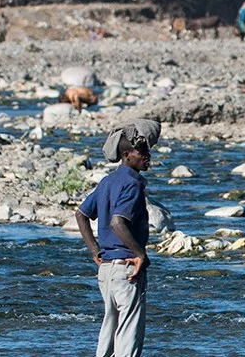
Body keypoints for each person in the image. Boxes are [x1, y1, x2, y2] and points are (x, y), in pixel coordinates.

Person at [75, 125, 155, 357]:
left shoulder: (107, 182)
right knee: (128, 336)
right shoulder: (133, 183)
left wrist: (94, 251)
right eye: (141, 152)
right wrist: (141, 255)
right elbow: (117, 223)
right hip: (126, 269)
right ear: (126, 154)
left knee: (109, 333)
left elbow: (81, 214)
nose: (147, 156)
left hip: (107, 271)